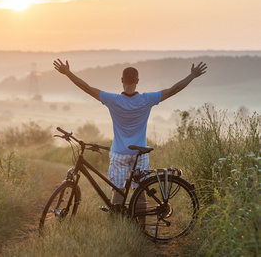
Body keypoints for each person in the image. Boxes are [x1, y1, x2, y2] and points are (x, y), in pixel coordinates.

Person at [53, 59, 207, 206]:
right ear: (137, 81)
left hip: (119, 153)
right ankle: (141, 226)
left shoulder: (112, 100)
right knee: (140, 190)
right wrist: (192, 76)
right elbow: (174, 89)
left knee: (118, 189)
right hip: (139, 153)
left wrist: (68, 73)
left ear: (121, 80)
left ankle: (118, 222)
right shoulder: (147, 99)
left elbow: (86, 87)